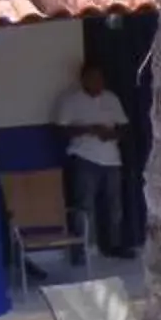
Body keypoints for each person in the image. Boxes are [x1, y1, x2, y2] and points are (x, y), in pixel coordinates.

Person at [55, 63, 130, 258]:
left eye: (100, 78)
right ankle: (85, 248)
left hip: (112, 159)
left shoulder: (111, 99)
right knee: (85, 205)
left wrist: (112, 134)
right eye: (92, 78)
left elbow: (124, 127)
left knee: (115, 205)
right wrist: (89, 129)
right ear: (83, 80)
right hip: (84, 157)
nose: (97, 83)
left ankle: (114, 245)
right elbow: (60, 130)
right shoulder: (71, 101)